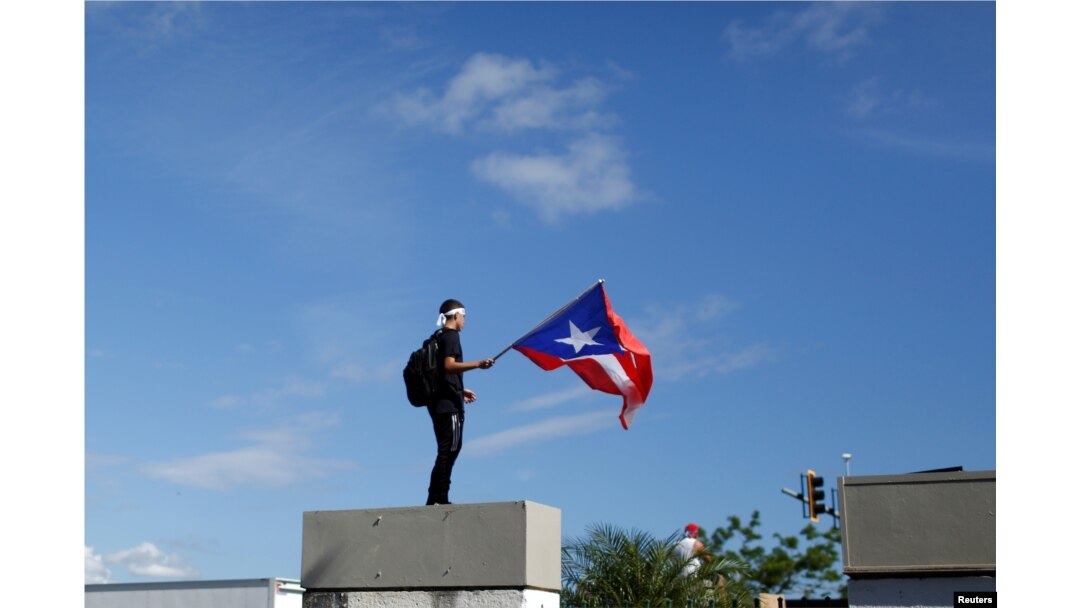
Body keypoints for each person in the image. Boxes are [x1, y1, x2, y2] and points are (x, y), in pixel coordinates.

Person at [425, 299, 494, 506]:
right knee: (450, 449)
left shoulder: (437, 337)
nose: (464, 321)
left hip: (438, 402)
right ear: (456, 315)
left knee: (445, 449)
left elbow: (438, 372)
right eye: (464, 317)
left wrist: (460, 389)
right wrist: (478, 364)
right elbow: (449, 366)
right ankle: (441, 498)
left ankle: (433, 497)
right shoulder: (452, 336)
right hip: (449, 406)